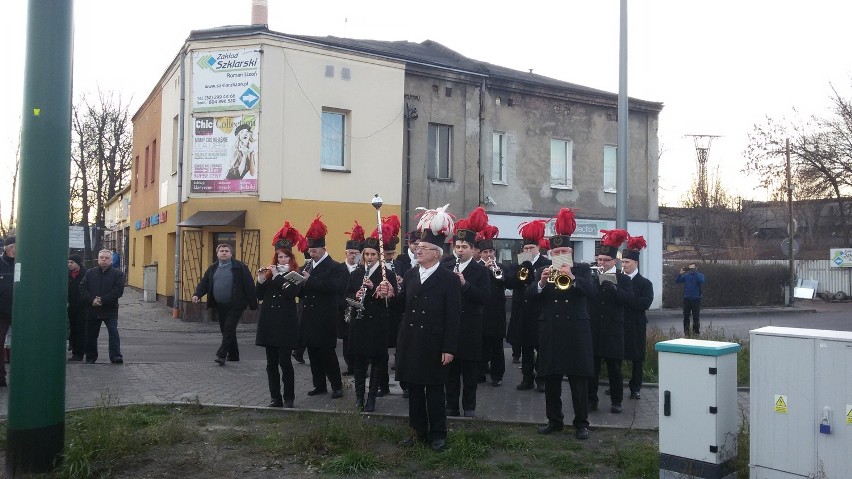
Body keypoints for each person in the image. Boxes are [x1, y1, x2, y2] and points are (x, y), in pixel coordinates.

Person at [396, 204, 461, 452]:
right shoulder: (412, 275)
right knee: (413, 390)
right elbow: (403, 305)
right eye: (418, 248)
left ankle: (438, 434)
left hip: (434, 343)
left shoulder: (449, 279)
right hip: (411, 340)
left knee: (434, 391)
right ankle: (417, 431)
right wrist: (387, 294)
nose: (418, 252)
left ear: (437, 253)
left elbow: (454, 317)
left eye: (423, 249)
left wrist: (449, 348)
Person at [526, 208, 594, 439]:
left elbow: (592, 291)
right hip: (551, 331)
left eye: (564, 250)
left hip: (576, 331)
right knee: (551, 378)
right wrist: (542, 283)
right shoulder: (542, 271)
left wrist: (572, 277)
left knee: (578, 380)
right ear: (551, 253)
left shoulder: (583, 269)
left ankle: (581, 423)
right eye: (557, 251)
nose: (561, 254)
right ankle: (554, 420)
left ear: (571, 251)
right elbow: (529, 296)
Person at [444, 208, 489, 418]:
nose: (460, 250)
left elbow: (483, 297)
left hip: (471, 326)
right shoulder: (447, 266)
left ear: (472, 249)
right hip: (451, 326)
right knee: (451, 372)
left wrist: (465, 285)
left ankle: (469, 407)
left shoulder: (481, 271)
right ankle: (451, 405)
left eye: (464, 247)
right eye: (457, 247)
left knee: (470, 372)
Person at [255, 223, 303, 408]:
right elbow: (259, 296)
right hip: (269, 323)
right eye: (279, 257)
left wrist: (276, 276)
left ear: (291, 258)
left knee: (285, 363)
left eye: (285, 257)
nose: (282, 260)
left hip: (285, 324)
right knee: (271, 363)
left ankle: (289, 397)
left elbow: (291, 293)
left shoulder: (295, 275)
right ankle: (275, 397)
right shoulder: (269, 274)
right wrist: (260, 280)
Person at [299, 215, 347, 399]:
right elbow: (304, 291)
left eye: (315, 250)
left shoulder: (335, 267)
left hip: (326, 317)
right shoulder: (308, 265)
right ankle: (319, 384)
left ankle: (336, 385)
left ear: (324, 249)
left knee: (327, 353)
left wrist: (310, 281)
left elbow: (333, 288)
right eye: (310, 250)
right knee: (313, 353)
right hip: (309, 316)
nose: (312, 253)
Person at [346, 236, 396, 412]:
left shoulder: (387, 275)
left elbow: (393, 301)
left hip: (378, 323)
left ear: (379, 256)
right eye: (366, 254)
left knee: (377, 360)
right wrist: (356, 296)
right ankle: (359, 396)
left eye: (373, 254)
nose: (369, 257)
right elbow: (346, 296)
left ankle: (372, 396)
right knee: (359, 360)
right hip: (359, 322)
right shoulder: (356, 273)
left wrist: (375, 287)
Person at [587, 229, 633, 414]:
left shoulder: (623, 279)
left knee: (615, 368)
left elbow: (629, 300)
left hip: (613, 330)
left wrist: (614, 289)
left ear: (614, 261)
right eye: (599, 259)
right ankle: (591, 400)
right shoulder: (591, 277)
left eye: (605, 260)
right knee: (592, 368)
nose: (602, 263)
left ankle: (617, 401)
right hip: (594, 329)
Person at [504, 219, 551, 392]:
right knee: (525, 347)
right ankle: (527, 378)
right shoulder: (518, 263)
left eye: (531, 248)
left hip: (539, 311)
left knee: (542, 347)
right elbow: (508, 282)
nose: (528, 251)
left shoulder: (546, 263)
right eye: (525, 249)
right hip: (522, 310)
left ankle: (541, 378)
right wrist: (522, 269)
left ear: (538, 248)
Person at [192, 244, 258, 365]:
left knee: (228, 328)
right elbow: (204, 283)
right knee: (226, 329)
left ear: (231, 253)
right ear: (217, 254)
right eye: (221, 251)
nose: (224, 253)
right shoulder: (213, 268)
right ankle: (234, 355)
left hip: (236, 303)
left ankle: (222, 354)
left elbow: (249, 284)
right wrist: (197, 294)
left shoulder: (239, 267)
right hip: (220, 304)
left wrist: (253, 303)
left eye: (226, 251)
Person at [621, 236, 653, 399]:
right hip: (619, 323)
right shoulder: (619, 280)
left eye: (627, 262)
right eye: (623, 262)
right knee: (616, 356)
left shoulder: (645, 283)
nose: (624, 265)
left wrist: (626, 298)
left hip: (636, 324)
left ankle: (635, 387)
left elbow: (644, 303)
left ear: (636, 263)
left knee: (637, 358)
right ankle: (616, 385)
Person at [80, 249, 125, 364]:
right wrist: (92, 300)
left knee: (113, 333)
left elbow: (118, 291)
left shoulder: (118, 274)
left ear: (111, 260)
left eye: (106, 258)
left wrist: (102, 300)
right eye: (102, 258)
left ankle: (115, 356)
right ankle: (90, 357)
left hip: (110, 309)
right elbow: (82, 288)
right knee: (91, 334)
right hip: (92, 309)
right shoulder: (89, 273)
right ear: (98, 259)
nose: (104, 260)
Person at [476, 225, 506, 387]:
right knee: (481, 346)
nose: (488, 255)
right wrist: (484, 269)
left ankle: (497, 375)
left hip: (497, 313)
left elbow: (507, 281)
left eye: (490, 252)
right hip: (482, 312)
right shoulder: (477, 268)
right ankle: (480, 372)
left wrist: (498, 271)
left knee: (497, 348)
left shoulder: (501, 267)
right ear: (480, 254)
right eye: (485, 252)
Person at [339, 221, 365, 376]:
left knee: (359, 340)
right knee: (346, 340)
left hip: (359, 311)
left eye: (356, 253)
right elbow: (337, 291)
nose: (353, 256)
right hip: (343, 311)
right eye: (351, 253)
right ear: (346, 253)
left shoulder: (363, 271)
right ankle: (350, 366)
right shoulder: (339, 269)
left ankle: (360, 366)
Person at [0, 236, 15, 385]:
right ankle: (1, 378)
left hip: (21, 312)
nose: (14, 250)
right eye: (12, 246)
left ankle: (21, 375)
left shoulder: (25, 263)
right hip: (2, 312)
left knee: (23, 345)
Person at [67, 254, 88, 362]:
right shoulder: (67, 275)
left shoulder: (85, 274)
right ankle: (74, 348)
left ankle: (79, 353)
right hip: (71, 306)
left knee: (81, 330)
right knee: (73, 329)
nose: (69, 264)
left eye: (72, 262)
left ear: (78, 263)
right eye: (69, 262)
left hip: (83, 307)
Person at [676, 263, 704, 336]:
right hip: (687, 298)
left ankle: (696, 332)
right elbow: (677, 281)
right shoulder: (686, 276)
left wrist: (695, 273)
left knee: (696, 316)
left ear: (696, 268)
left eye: (693, 268)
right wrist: (680, 274)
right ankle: (686, 332)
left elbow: (701, 281)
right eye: (690, 268)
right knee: (686, 316)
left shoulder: (700, 275)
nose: (691, 270)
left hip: (696, 299)